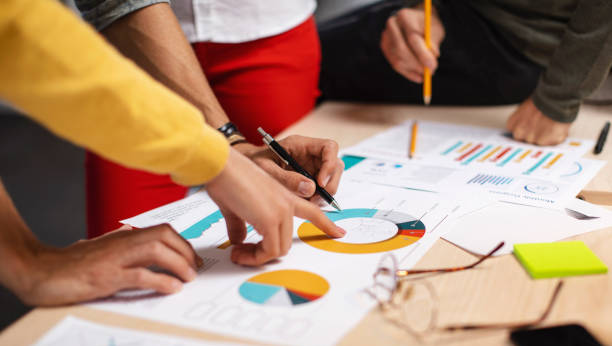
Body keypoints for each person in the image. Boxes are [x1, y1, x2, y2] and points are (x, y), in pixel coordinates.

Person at [0, 0, 345, 306]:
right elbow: (16, 28)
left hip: (269, 28)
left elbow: (17, 25)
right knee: (130, 277)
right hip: (126, 51)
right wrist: (26, 263)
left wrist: (223, 151)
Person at [74, 0, 341, 238]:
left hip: (270, 34)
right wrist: (228, 142)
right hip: (133, 46)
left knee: (290, 225)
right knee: (123, 252)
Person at [318, 0, 612, 146]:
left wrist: (558, 98)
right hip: (475, 22)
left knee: (313, 58)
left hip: (515, 41)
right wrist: (424, 7)